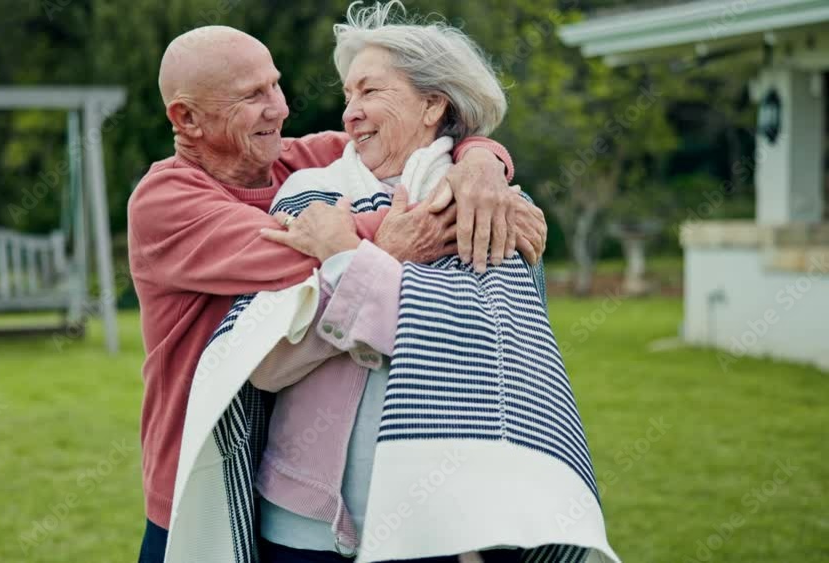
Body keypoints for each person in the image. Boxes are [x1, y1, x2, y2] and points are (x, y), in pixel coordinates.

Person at [162, 3, 618, 563]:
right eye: (347, 95)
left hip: (437, 519)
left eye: (369, 92)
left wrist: (348, 259)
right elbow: (266, 363)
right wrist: (379, 263)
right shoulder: (307, 190)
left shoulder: (491, 206)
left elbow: (473, 346)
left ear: (432, 103)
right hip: (298, 519)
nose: (350, 114)